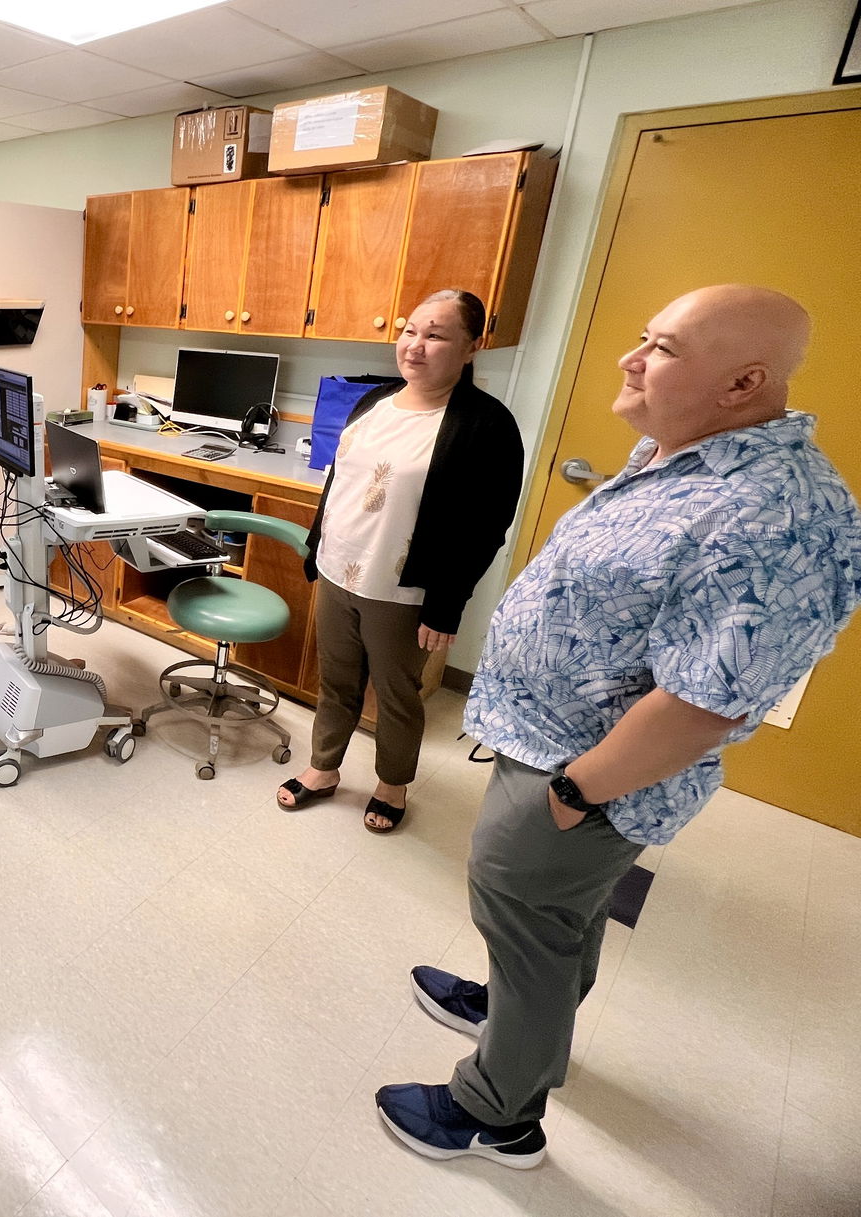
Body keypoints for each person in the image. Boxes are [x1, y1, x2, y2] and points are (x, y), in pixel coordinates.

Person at [376, 285, 861, 1168]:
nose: (630, 359)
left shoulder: (775, 511)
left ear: (744, 381)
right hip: (547, 735)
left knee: (528, 908)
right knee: (552, 925)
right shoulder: (684, 451)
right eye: (645, 335)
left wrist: (572, 791)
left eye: (664, 348)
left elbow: (706, 702)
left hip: (589, 771)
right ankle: (519, 1011)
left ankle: (498, 1111)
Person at [278, 289, 524, 832]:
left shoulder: (486, 425)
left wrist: (447, 605)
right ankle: (323, 769)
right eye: (410, 330)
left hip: (403, 589)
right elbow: (338, 480)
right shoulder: (374, 402)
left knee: (395, 693)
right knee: (336, 679)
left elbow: (486, 527)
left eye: (435, 335)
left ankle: (392, 784)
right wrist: (316, 547)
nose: (415, 345)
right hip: (339, 568)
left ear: (472, 346)